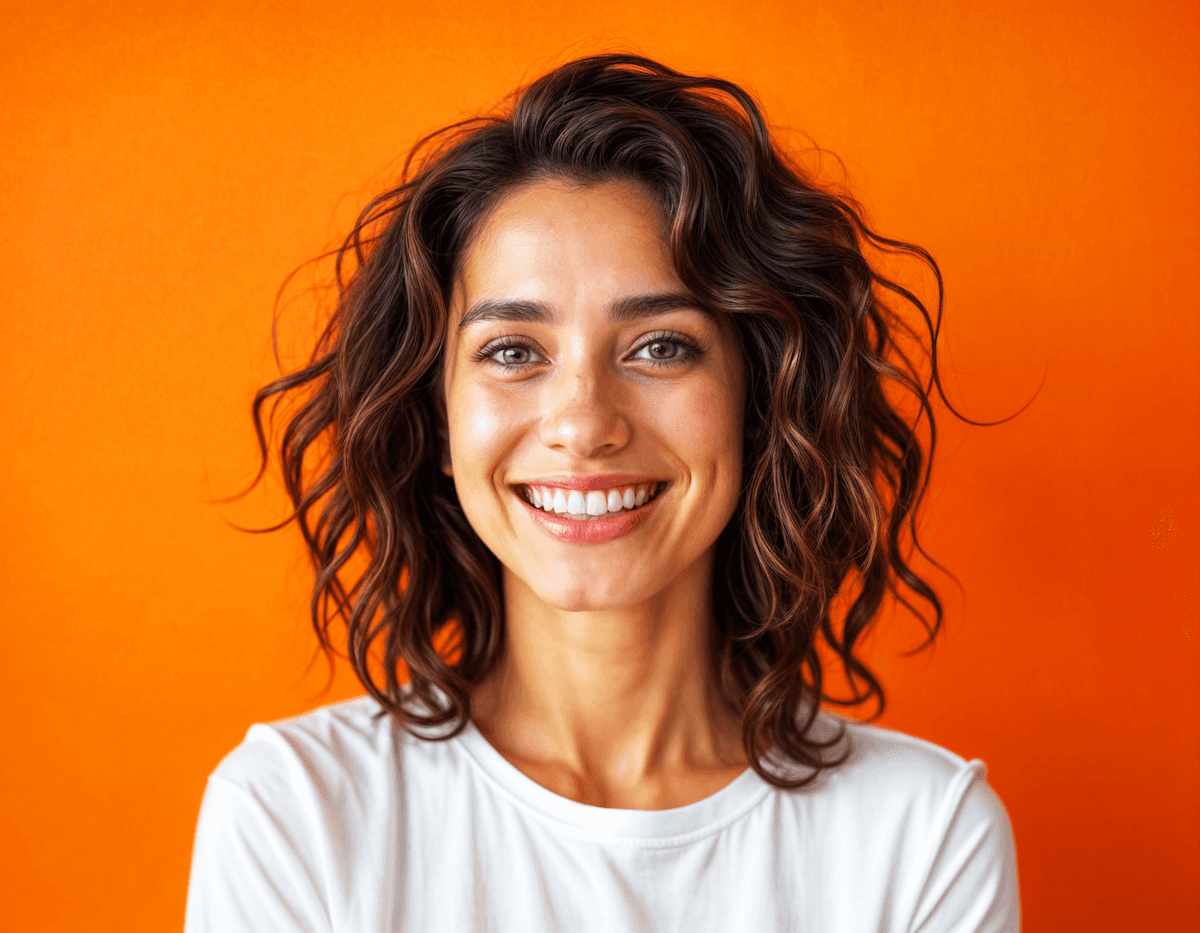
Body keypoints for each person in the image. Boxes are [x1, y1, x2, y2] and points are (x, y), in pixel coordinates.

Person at [184, 53, 1021, 932]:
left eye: (660, 346)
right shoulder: (296, 817)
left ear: (760, 401)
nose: (584, 424)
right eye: (513, 351)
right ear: (437, 417)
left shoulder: (922, 835)